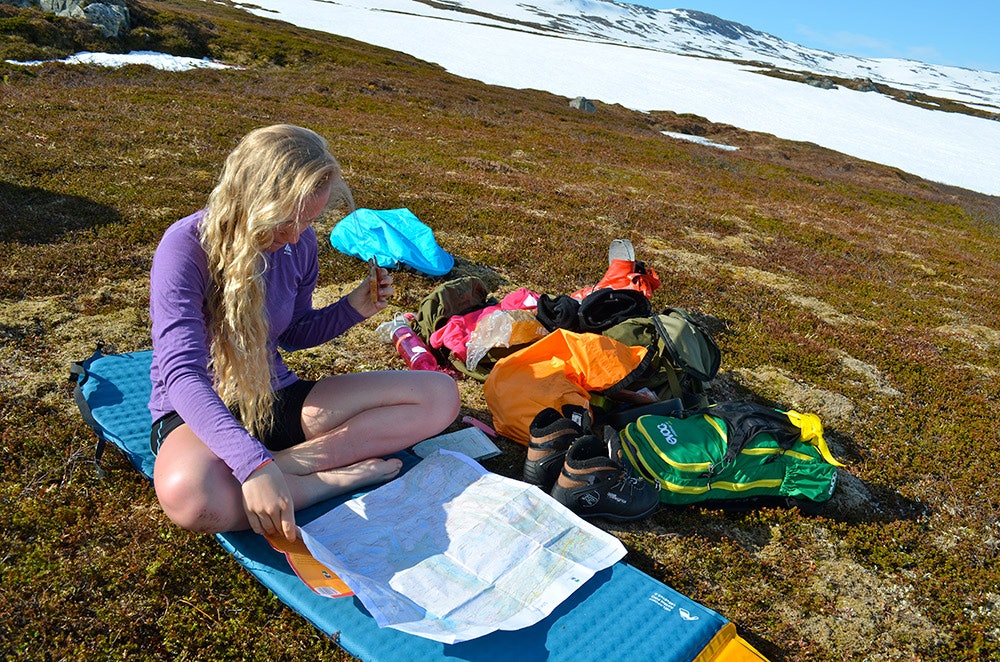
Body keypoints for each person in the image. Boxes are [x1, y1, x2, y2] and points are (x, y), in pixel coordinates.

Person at [148, 124, 461, 543]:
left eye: (308, 221)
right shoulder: (185, 247)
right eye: (285, 221)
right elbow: (183, 374)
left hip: (274, 395)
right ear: (252, 199)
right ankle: (323, 482)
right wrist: (252, 466)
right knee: (192, 496)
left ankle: (288, 466)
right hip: (198, 412)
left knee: (440, 395)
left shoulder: (299, 245)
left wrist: (353, 308)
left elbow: (293, 333)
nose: (295, 236)